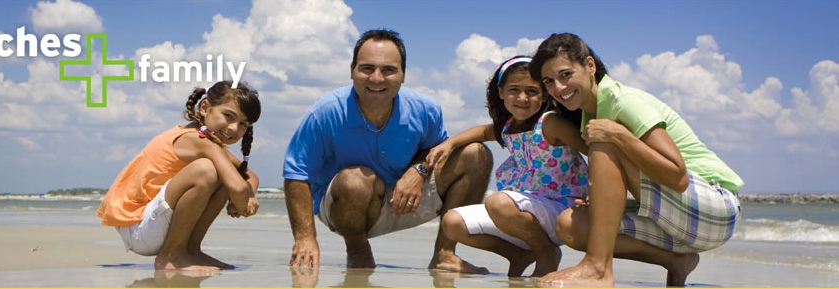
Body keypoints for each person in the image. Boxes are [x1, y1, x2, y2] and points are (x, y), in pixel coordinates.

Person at [529, 32, 744, 287]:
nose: (559, 88)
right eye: (549, 81)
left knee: (605, 138)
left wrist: (619, 134)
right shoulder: (591, 113)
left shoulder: (623, 101)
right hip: (678, 219)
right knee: (570, 225)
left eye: (565, 75)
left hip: (715, 210)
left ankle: (598, 269)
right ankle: (676, 260)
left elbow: (678, 176)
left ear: (589, 66)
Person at [282, 28, 493, 274]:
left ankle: (444, 254)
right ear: (352, 71)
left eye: (389, 70)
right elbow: (297, 171)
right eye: (367, 68)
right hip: (347, 208)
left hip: (407, 201)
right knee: (355, 181)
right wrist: (305, 237)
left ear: (403, 75)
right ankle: (357, 251)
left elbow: (438, 152)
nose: (377, 78)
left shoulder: (426, 109)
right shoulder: (325, 111)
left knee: (476, 154)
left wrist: (418, 170)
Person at [431, 55, 589, 277]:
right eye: (514, 89)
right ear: (501, 92)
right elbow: (483, 132)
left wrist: (596, 193)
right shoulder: (508, 127)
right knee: (452, 222)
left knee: (499, 202)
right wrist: (449, 144)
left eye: (532, 91)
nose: (522, 97)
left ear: (544, 94)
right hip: (523, 215)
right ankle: (518, 255)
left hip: (561, 208)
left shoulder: (551, 123)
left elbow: (592, 151)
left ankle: (546, 253)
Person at [97, 80, 262, 272]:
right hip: (139, 228)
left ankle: (190, 250)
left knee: (225, 174)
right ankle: (171, 256)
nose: (234, 129)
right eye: (228, 116)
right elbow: (239, 187)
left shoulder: (207, 141)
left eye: (243, 124)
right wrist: (242, 202)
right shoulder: (196, 139)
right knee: (206, 170)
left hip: (155, 225)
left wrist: (249, 197)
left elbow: (249, 175)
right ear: (205, 107)